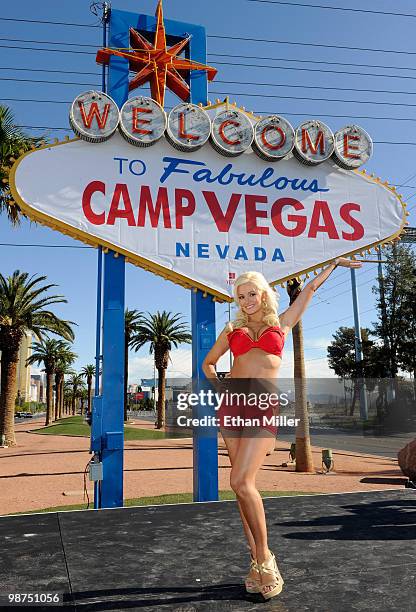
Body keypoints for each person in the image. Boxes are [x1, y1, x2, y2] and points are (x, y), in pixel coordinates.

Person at [202, 256, 362, 600]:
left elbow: (310, 291)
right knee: (241, 488)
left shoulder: (282, 323)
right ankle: (255, 563)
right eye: (241, 296)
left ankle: (265, 558)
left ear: (263, 294)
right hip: (233, 409)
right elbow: (208, 364)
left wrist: (333, 263)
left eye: (251, 294)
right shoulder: (232, 331)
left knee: (241, 481)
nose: (246, 300)